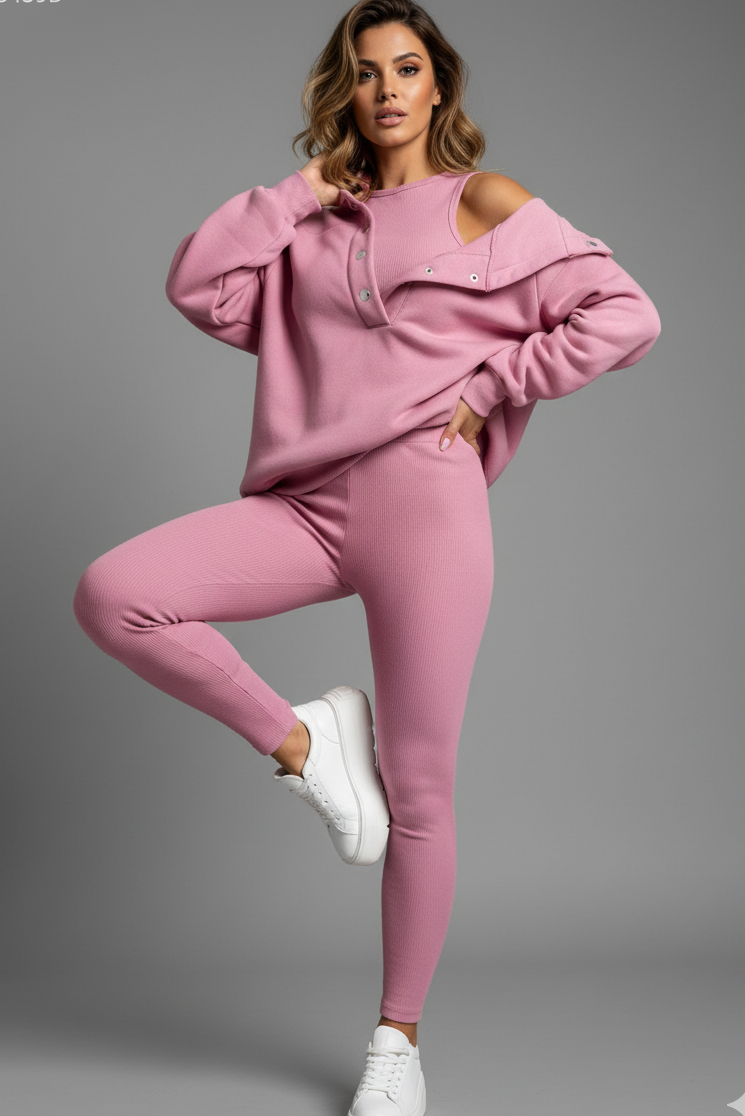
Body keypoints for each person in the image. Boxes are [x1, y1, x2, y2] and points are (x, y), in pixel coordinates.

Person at [72, 1, 662, 1112]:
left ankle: (397, 1044)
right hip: (302, 506)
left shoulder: (482, 202)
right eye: (364, 71)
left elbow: (624, 314)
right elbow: (198, 286)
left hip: (424, 507)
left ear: (438, 85)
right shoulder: (307, 225)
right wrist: (301, 191)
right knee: (116, 595)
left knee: (423, 788)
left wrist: (494, 384)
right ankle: (309, 745)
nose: (386, 89)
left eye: (405, 68)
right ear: (340, 91)